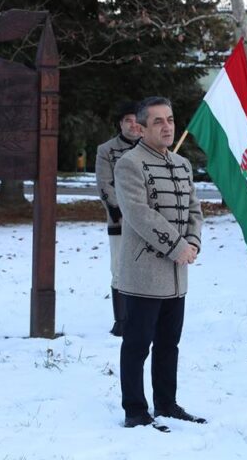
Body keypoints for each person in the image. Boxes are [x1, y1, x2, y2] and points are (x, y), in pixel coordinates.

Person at [114, 96, 204, 430]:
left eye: (170, 119)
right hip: (144, 273)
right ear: (140, 128)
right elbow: (139, 214)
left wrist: (192, 243)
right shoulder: (129, 164)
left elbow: (194, 210)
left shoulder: (182, 164)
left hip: (177, 274)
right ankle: (135, 410)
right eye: (158, 121)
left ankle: (166, 404)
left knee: (169, 345)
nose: (167, 127)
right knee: (137, 345)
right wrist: (177, 246)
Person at [95, 101, 142, 337]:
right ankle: (122, 321)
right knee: (120, 269)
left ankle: (144, 318)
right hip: (121, 221)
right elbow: (105, 184)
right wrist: (120, 211)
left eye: (136, 120)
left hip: (151, 222)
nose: (133, 125)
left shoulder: (153, 148)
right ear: (120, 124)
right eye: (128, 121)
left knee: (146, 270)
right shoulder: (106, 150)